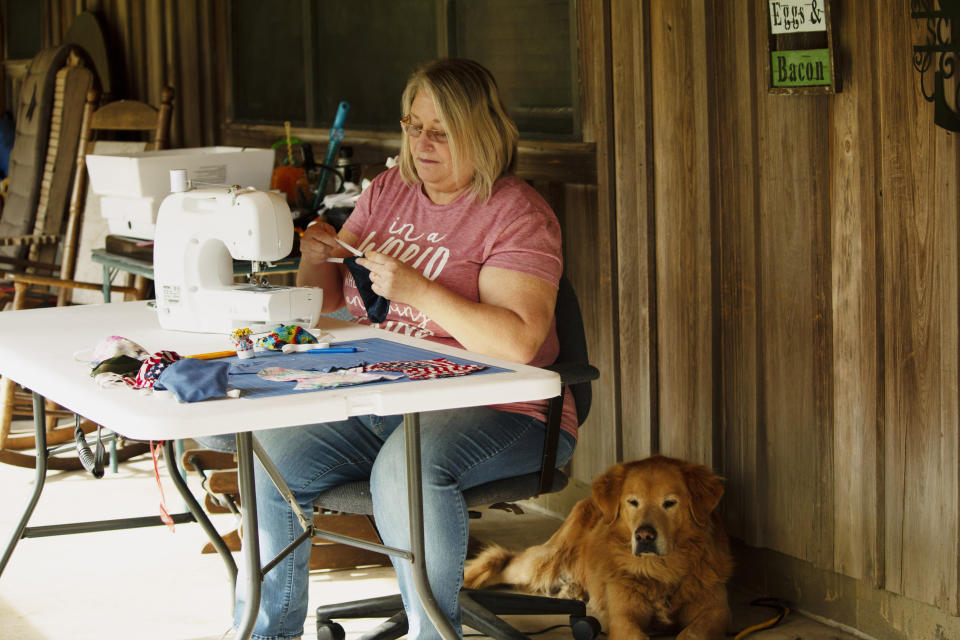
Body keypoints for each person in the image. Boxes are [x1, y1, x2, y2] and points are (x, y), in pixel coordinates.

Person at [236, 58, 579, 640]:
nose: (422, 143)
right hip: (387, 393)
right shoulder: (390, 192)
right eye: (413, 125)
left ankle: (431, 633)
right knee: (268, 458)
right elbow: (328, 310)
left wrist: (422, 290)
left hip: (505, 407)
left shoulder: (515, 212)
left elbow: (520, 341)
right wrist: (317, 257)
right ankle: (267, 631)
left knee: (407, 470)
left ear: (483, 131)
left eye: (441, 131)